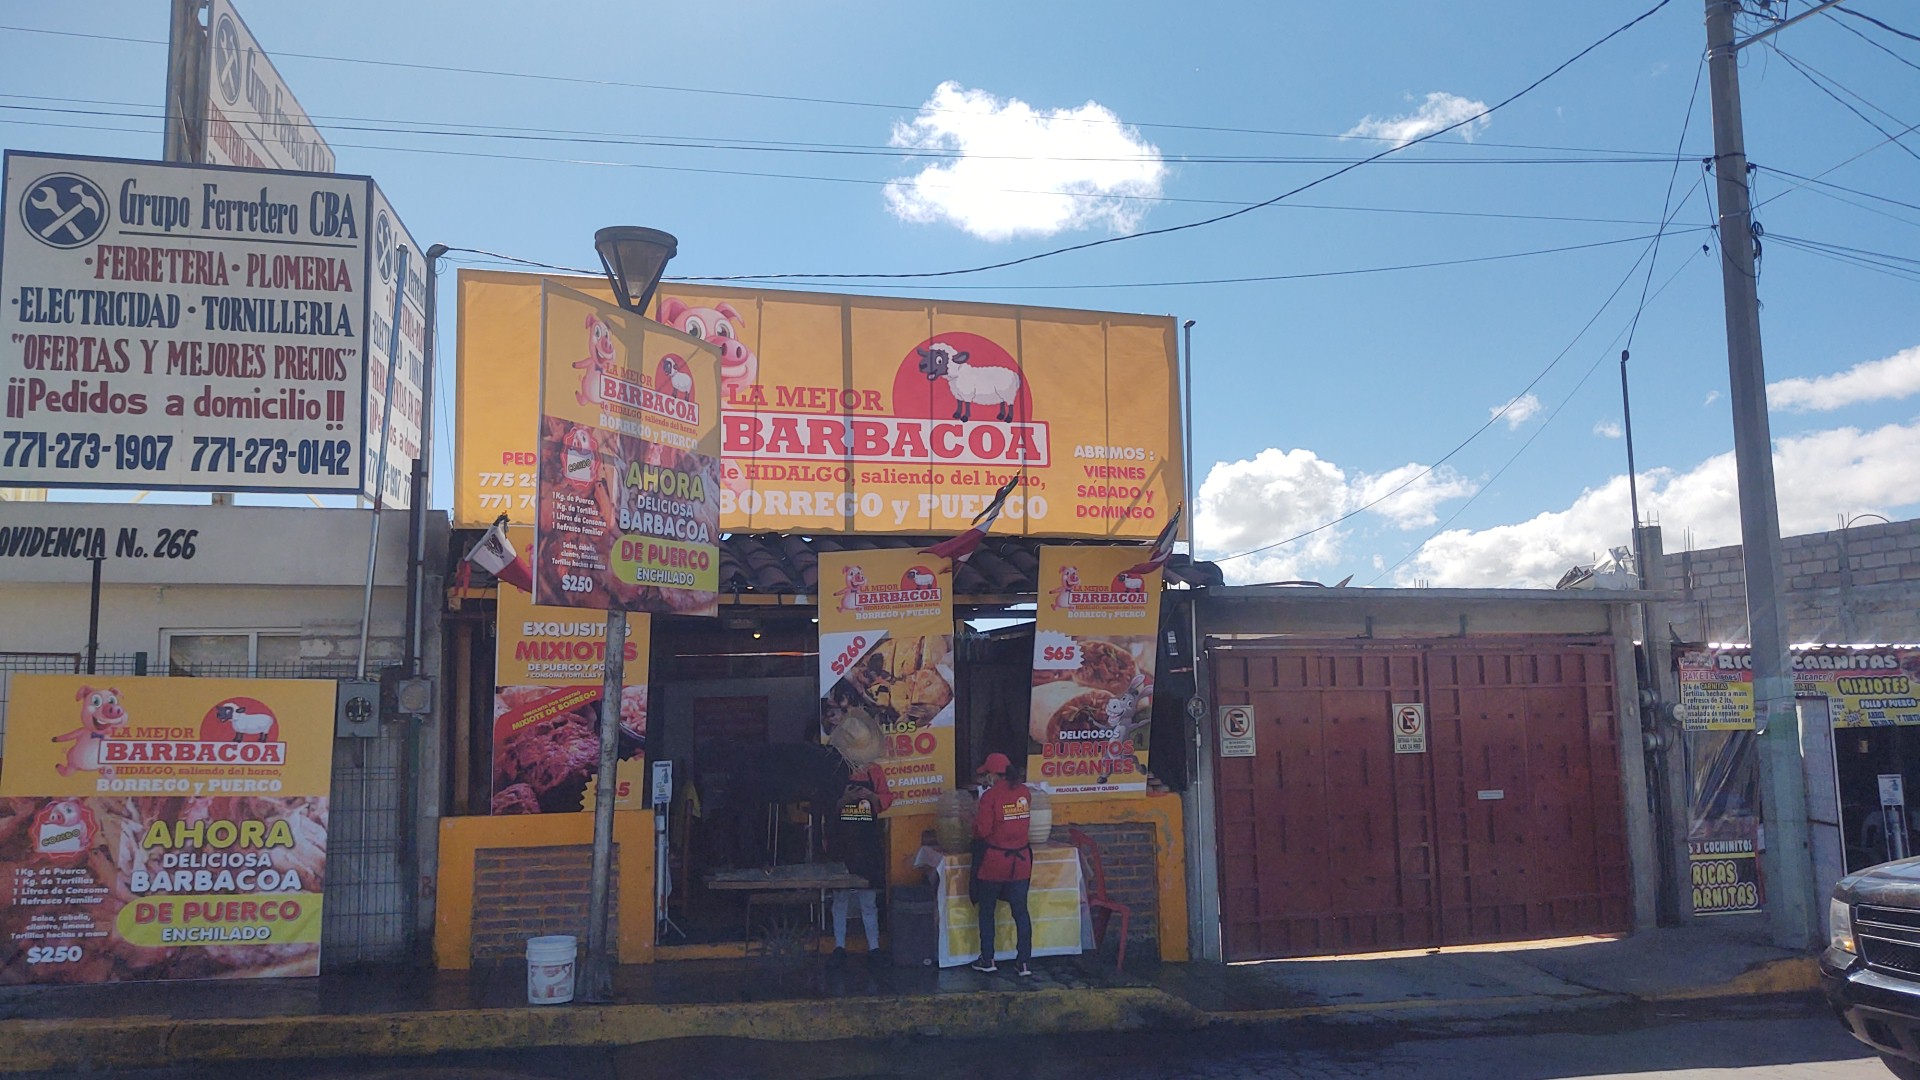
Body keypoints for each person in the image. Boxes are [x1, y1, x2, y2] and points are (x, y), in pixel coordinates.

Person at [826, 710, 893, 966]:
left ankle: (874, 947)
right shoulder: (833, 772)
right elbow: (826, 805)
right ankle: (839, 946)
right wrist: (844, 799)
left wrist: (870, 796)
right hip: (841, 843)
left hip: (867, 842)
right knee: (840, 897)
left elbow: (886, 799)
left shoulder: (875, 772)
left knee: (867, 898)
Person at [971, 751, 1034, 976]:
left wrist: (973, 821)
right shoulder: (1024, 792)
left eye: (986, 774)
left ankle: (988, 959)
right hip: (1021, 861)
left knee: (987, 911)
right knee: (1021, 912)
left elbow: (983, 830)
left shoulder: (989, 797)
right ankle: (1024, 962)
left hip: (994, 862)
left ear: (993, 774)